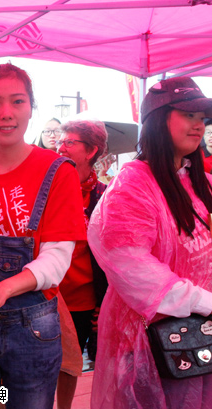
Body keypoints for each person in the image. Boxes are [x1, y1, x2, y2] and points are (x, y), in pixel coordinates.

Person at [0, 63, 86, 409]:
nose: (6, 113)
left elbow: (57, 260)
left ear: (31, 108)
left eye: (17, 101)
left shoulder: (58, 172)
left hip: (33, 327)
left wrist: (4, 289)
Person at [88, 76, 212, 409]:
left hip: (201, 336)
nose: (198, 125)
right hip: (149, 343)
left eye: (202, 117)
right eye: (188, 114)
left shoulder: (200, 183)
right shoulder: (133, 184)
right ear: (157, 120)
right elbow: (131, 266)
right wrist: (203, 300)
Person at [55, 119, 109, 409]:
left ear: (91, 151)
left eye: (69, 142)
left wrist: (105, 301)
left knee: (71, 363)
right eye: (59, 141)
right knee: (35, 363)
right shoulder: (48, 186)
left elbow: (112, 252)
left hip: (82, 298)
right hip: (46, 293)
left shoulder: (105, 195)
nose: (60, 147)